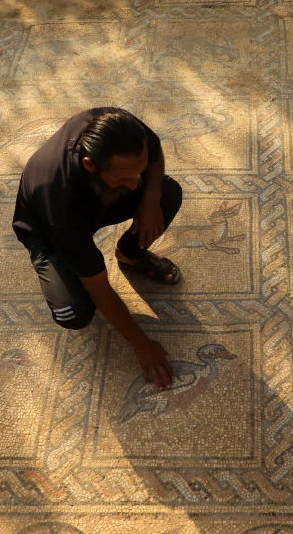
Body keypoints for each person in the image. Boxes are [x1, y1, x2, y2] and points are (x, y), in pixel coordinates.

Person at [12, 107, 182, 390]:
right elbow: (100, 286)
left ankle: (129, 255)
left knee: (168, 193)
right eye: (124, 178)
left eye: (135, 174)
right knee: (75, 311)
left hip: (95, 196)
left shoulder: (118, 127)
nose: (133, 185)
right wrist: (142, 344)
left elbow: (153, 150)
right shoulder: (60, 202)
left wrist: (150, 198)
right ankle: (63, 269)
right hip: (47, 228)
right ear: (90, 164)